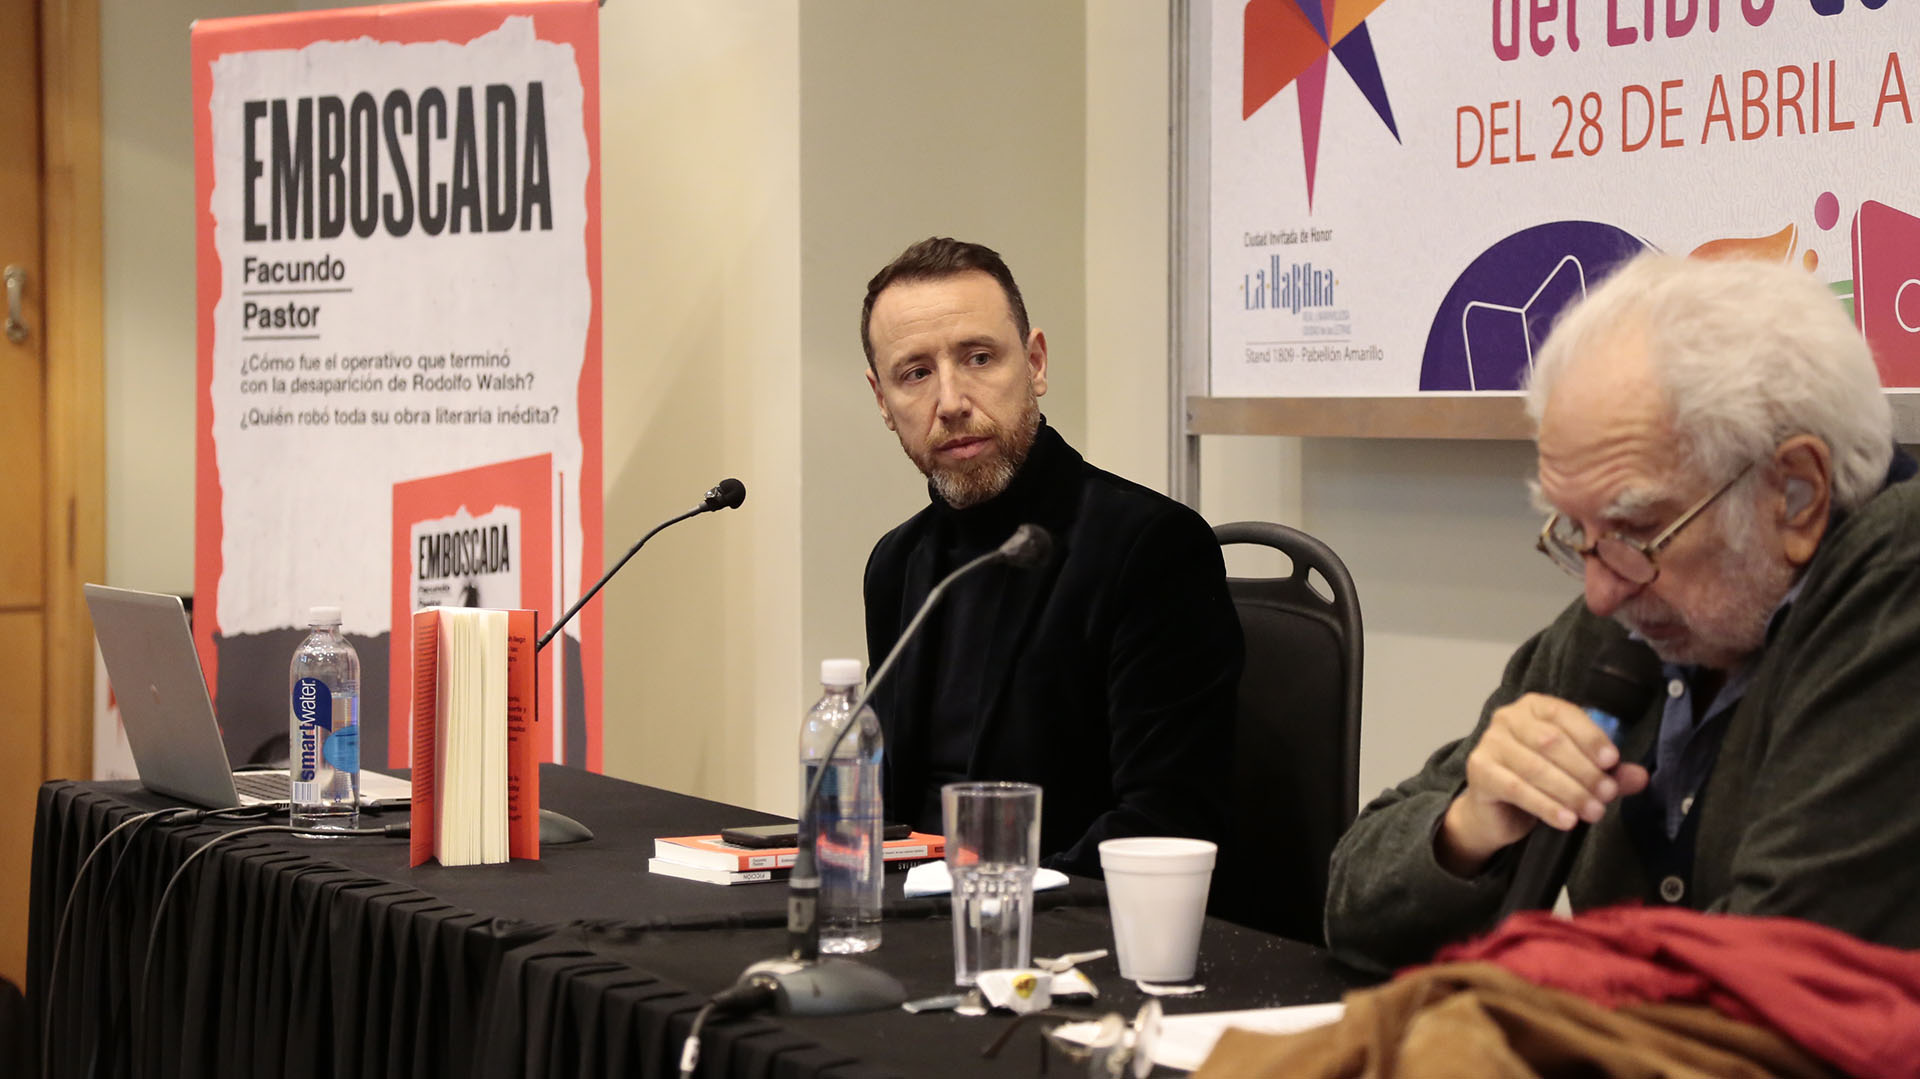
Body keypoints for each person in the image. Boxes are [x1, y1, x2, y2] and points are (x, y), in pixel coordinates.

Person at [1325, 252, 1920, 973]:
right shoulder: (1625, 620)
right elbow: (1352, 908)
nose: (1601, 593)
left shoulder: (1895, 587)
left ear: (1795, 493)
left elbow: (1772, 975)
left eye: (1638, 532)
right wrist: (1467, 829)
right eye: (1577, 535)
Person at [859, 236, 1242, 876]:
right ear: (882, 401)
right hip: (914, 930)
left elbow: (1165, 820)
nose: (950, 401)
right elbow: (887, 804)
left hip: (1067, 936)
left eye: (979, 358)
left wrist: (994, 902)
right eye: (916, 373)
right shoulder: (896, 564)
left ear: (1034, 363)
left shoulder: (1150, 548)